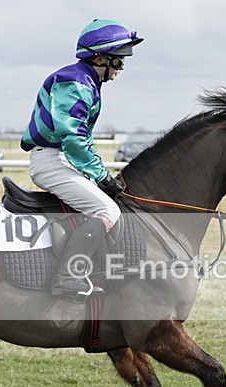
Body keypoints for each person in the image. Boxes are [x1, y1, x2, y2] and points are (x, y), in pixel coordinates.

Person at [20, 19, 143, 298]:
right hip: (52, 162)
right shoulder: (75, 82)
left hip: (63, 160)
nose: (120, 70)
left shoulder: (86, 81)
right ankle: (68, 279)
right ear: (100, 57)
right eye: (119, 62)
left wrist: (98, 172)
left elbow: (81, 141)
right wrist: (101, 176)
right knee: (107, 211)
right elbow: (73, 138)